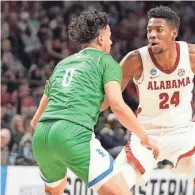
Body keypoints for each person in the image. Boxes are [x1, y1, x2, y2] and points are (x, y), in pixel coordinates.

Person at [101, 6, 195, 195]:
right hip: (146, 134)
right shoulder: (135, 60)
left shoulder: (191, 54)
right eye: (149, 30)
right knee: (113, 189)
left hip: (182, 133)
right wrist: (82, 112)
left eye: (159, 30)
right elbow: (109, 96)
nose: (152, 35)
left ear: (173, 33)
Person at [30, 9, 159, 195]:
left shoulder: (63, 64)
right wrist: (145, 138)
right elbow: (117, 106)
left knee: (53, 192)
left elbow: (35, 120)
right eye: (109, 37)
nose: (111, 42)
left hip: (42, 136)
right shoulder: (107, 62)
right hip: (73, 133)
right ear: (100, 39)